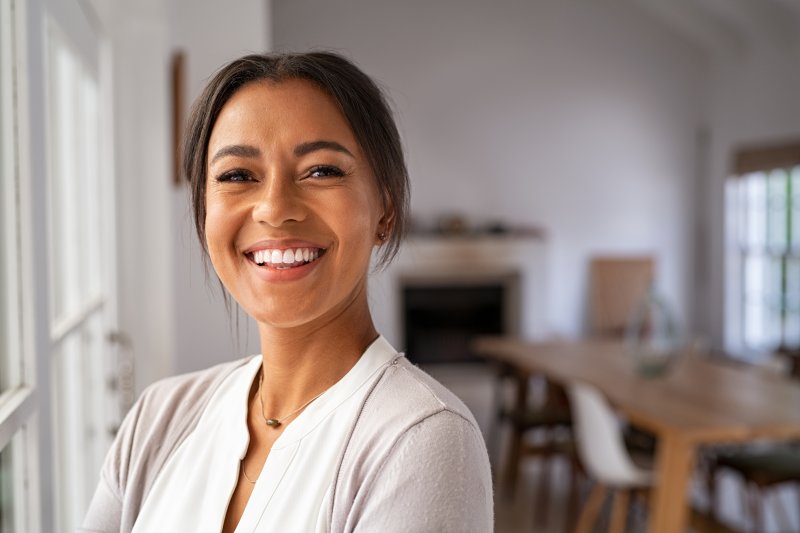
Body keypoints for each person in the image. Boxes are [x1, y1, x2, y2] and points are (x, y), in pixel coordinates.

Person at [80, 51, 493, 533]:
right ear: (203, 215)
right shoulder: (159, 419)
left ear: (385, 208)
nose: (275, 209)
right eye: (237, 176)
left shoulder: (421, 439)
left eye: (321, 170)